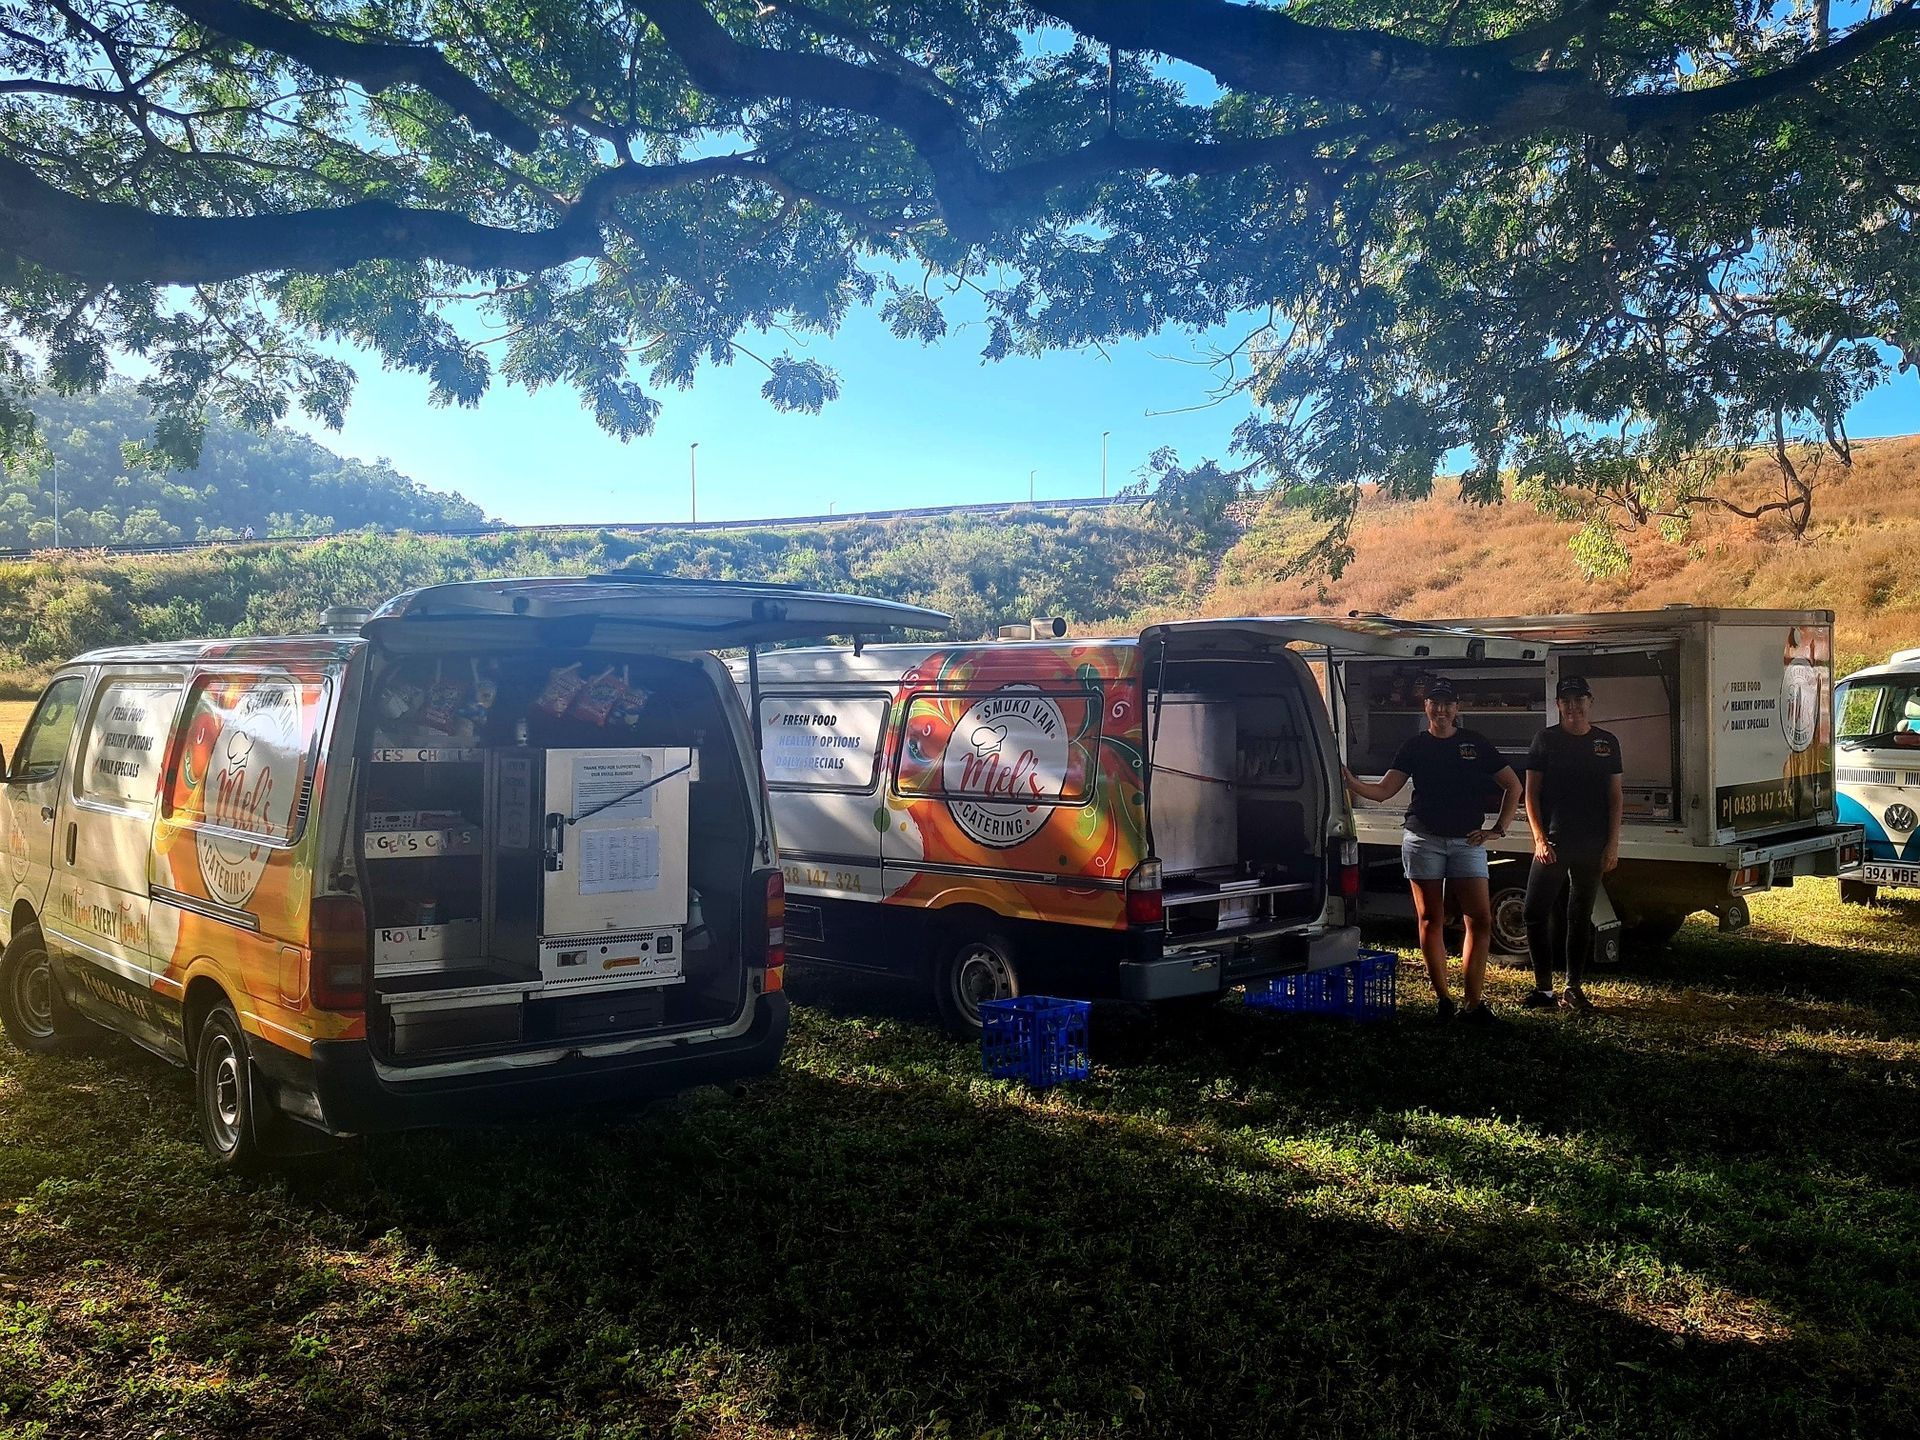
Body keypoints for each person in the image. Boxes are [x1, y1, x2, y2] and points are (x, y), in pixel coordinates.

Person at [1343, 677, 1522, 1023]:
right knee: (1430, 919)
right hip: (1423, 840)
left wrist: (1497, 830)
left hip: (1467, 843)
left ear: (1458, 709)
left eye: (1447, 704)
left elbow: (1512, 786)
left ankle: (1473, 1004)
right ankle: (1443, 999)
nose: (1441, 710)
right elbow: (1383, 791)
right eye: (1434, 703)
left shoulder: (1475, 743)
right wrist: (1350, 782)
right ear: (1425, 707)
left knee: (1481, 919)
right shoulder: (1414, 746)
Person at [1519, 675, 1623, 1013]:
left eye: (1579, 699)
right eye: (1567, 700)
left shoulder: (1606, 742)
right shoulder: (1545, 740)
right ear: (1558, 705)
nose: (1573, 706)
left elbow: (1615, 797)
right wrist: (1538, 838)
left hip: (1592, 845)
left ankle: (1573, 988)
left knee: (1580, 916)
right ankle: (1544, 989)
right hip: (1553, 842)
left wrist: (1613, 844)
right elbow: (1531, 794)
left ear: (1590, 702)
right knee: (1534, 912)